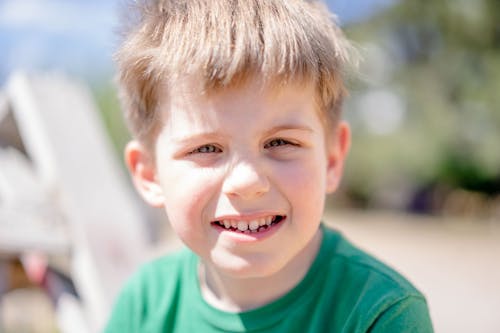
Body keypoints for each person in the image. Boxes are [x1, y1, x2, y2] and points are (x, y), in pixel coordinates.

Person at [104, 0, 434, 332]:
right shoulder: (143, 303)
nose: (247, 181)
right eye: (206, 148)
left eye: (280, 142)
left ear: (332, 158)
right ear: (150, 174)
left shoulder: (380, 314)